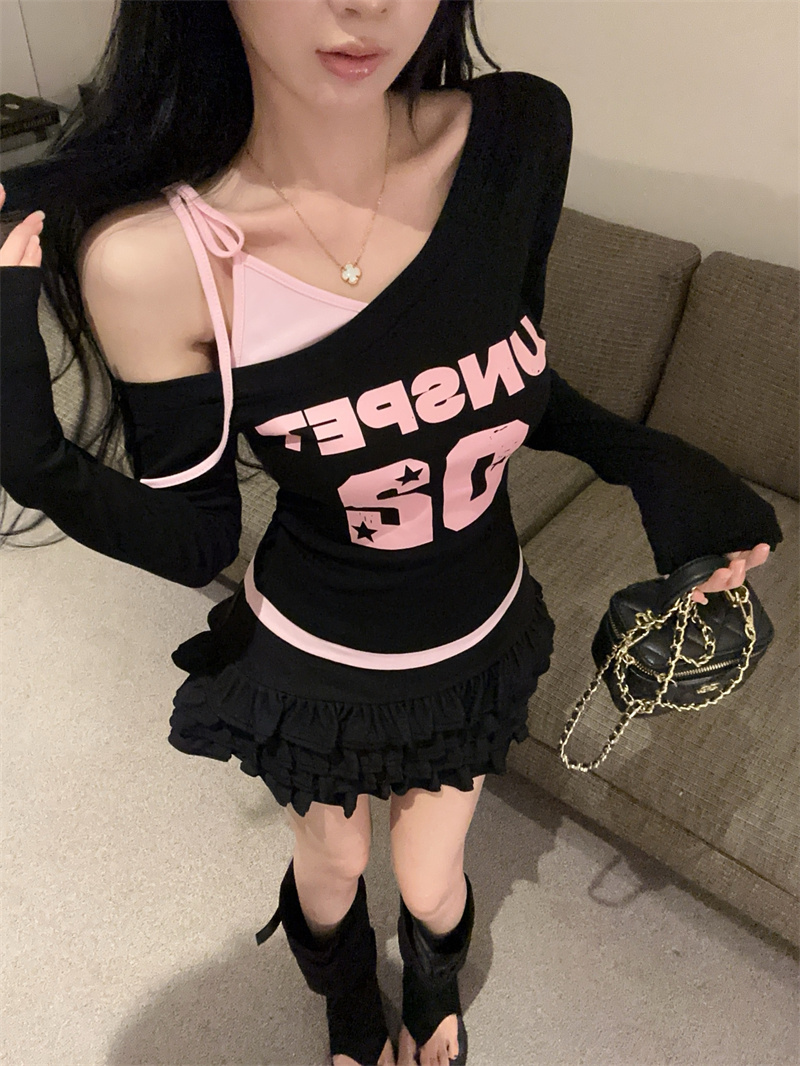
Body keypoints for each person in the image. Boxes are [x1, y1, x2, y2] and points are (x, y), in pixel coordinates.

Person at [0, 2, 781, 1065]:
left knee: (431, 876)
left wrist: (650, 461)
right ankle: (346, 1004)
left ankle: (430, 986)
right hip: (318, 663)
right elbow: (195, 538)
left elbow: (502, 375)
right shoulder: (157, 258)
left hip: (477, 634)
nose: (365, 2)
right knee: (333, 871)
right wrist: (35, 461)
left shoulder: (515, 134)